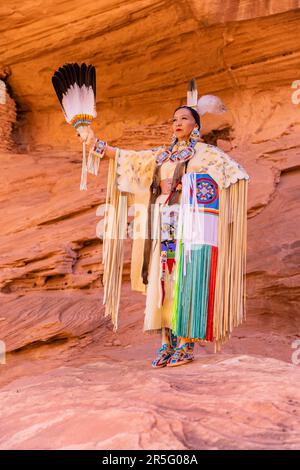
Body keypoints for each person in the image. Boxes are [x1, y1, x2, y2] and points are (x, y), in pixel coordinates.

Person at [76, 80, 250, 368]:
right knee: (163, 280)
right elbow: (126, 158)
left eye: (183, 118)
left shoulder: (206, 155)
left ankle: (186, 343)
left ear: (196, 125)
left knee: (185, 278)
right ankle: (166, 342)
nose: (176, 123)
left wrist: (192, 189)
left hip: (191, 229)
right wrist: (94, 142)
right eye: (174, 119)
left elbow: (236, 176)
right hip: (162, 225)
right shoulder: (161, 155)